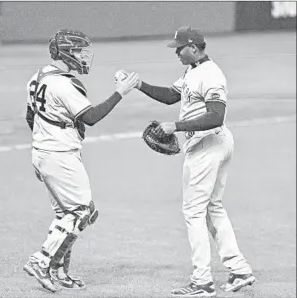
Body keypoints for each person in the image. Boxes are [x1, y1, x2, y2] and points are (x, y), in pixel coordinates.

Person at [132, 26, 256, 297]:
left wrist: (174, 126)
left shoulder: (211, 75)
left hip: (208, 146)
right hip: (214, 144)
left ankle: (202, 282)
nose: (175, 51)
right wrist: (139, 85)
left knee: (194, 213)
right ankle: (239, 270)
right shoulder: (193, 71)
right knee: (213, 207)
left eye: (179, 47)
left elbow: (215, 116)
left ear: (194, 47)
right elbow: (170, 96)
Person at [23, 29, 138, 292]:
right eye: (77, 50)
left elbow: (30, 117)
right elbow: (91, 117)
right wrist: (120, 92)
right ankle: (41, 261)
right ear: (65, 52)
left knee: (67, 213)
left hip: (45, 152)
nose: (82, 55)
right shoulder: (63, 84)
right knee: (81, 212)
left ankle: (60, 272)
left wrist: (42, 150)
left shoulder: (37, 76)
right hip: (60, 154)